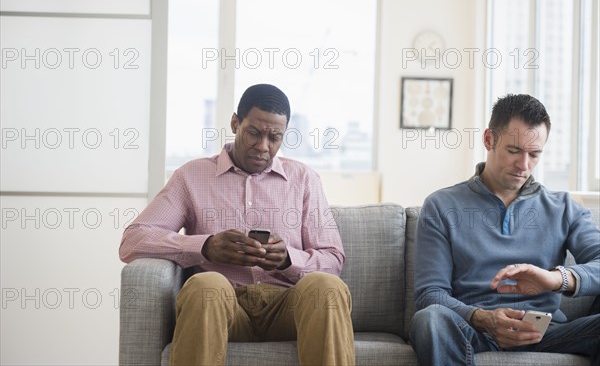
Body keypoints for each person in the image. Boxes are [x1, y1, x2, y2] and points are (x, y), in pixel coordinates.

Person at [119, 84, 355, 366]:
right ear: (235, 123)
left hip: (287, 307)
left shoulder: (304, 179)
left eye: (274, 137)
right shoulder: (191, 176)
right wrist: (204, 246)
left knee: (327, 287)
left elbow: (333, 259)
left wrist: (288, 259)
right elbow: (133, 241)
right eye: (254, 133)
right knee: (206, 285)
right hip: (223, 304)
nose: (263, 146)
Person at [409, 94, 600, 365]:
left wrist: (557, 279)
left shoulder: (564, 207)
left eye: (534, 154)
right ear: (489, 140)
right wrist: (483, 318)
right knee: (429, 319)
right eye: (513, 151)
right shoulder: (442, 205)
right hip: (472, 330)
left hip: (547, 333)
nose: (523, 165)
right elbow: (431, 295)